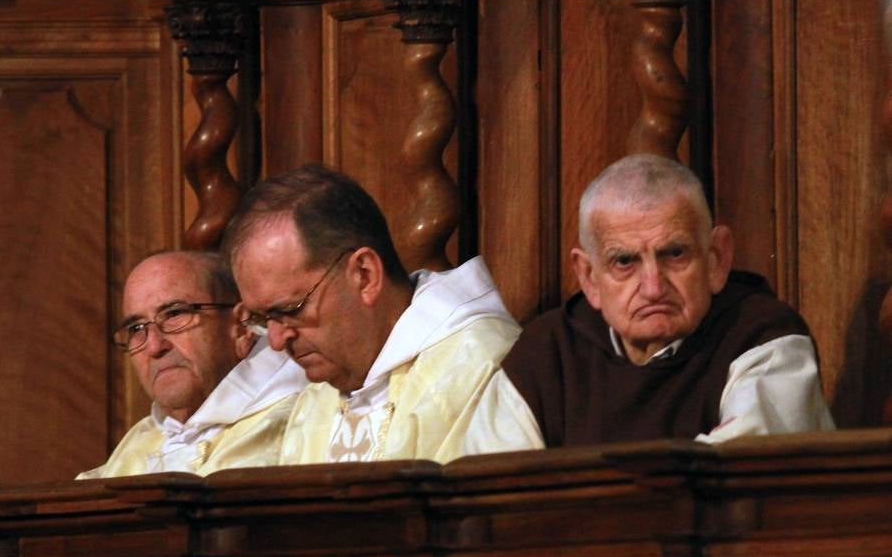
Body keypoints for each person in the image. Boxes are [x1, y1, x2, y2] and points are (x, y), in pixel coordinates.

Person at [501, 153, 835, 447]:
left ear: (717, 258)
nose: (652, 287)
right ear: (589, 277)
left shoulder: (764, 336)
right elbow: (489, 485)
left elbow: (742, 471)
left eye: (674, 254)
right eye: (624, 262)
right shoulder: (546, 353)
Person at [223, 164, 541, 464]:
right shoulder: (315, 398)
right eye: (264, 320)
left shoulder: (481, 371)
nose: (277, 342)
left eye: (289, 310)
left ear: (365, 275)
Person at [77, 250, 307, 478]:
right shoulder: (140, 442)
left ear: (241, 326)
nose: (155, 347)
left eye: (174, 313)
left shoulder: (306, 418)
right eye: (136, 328)